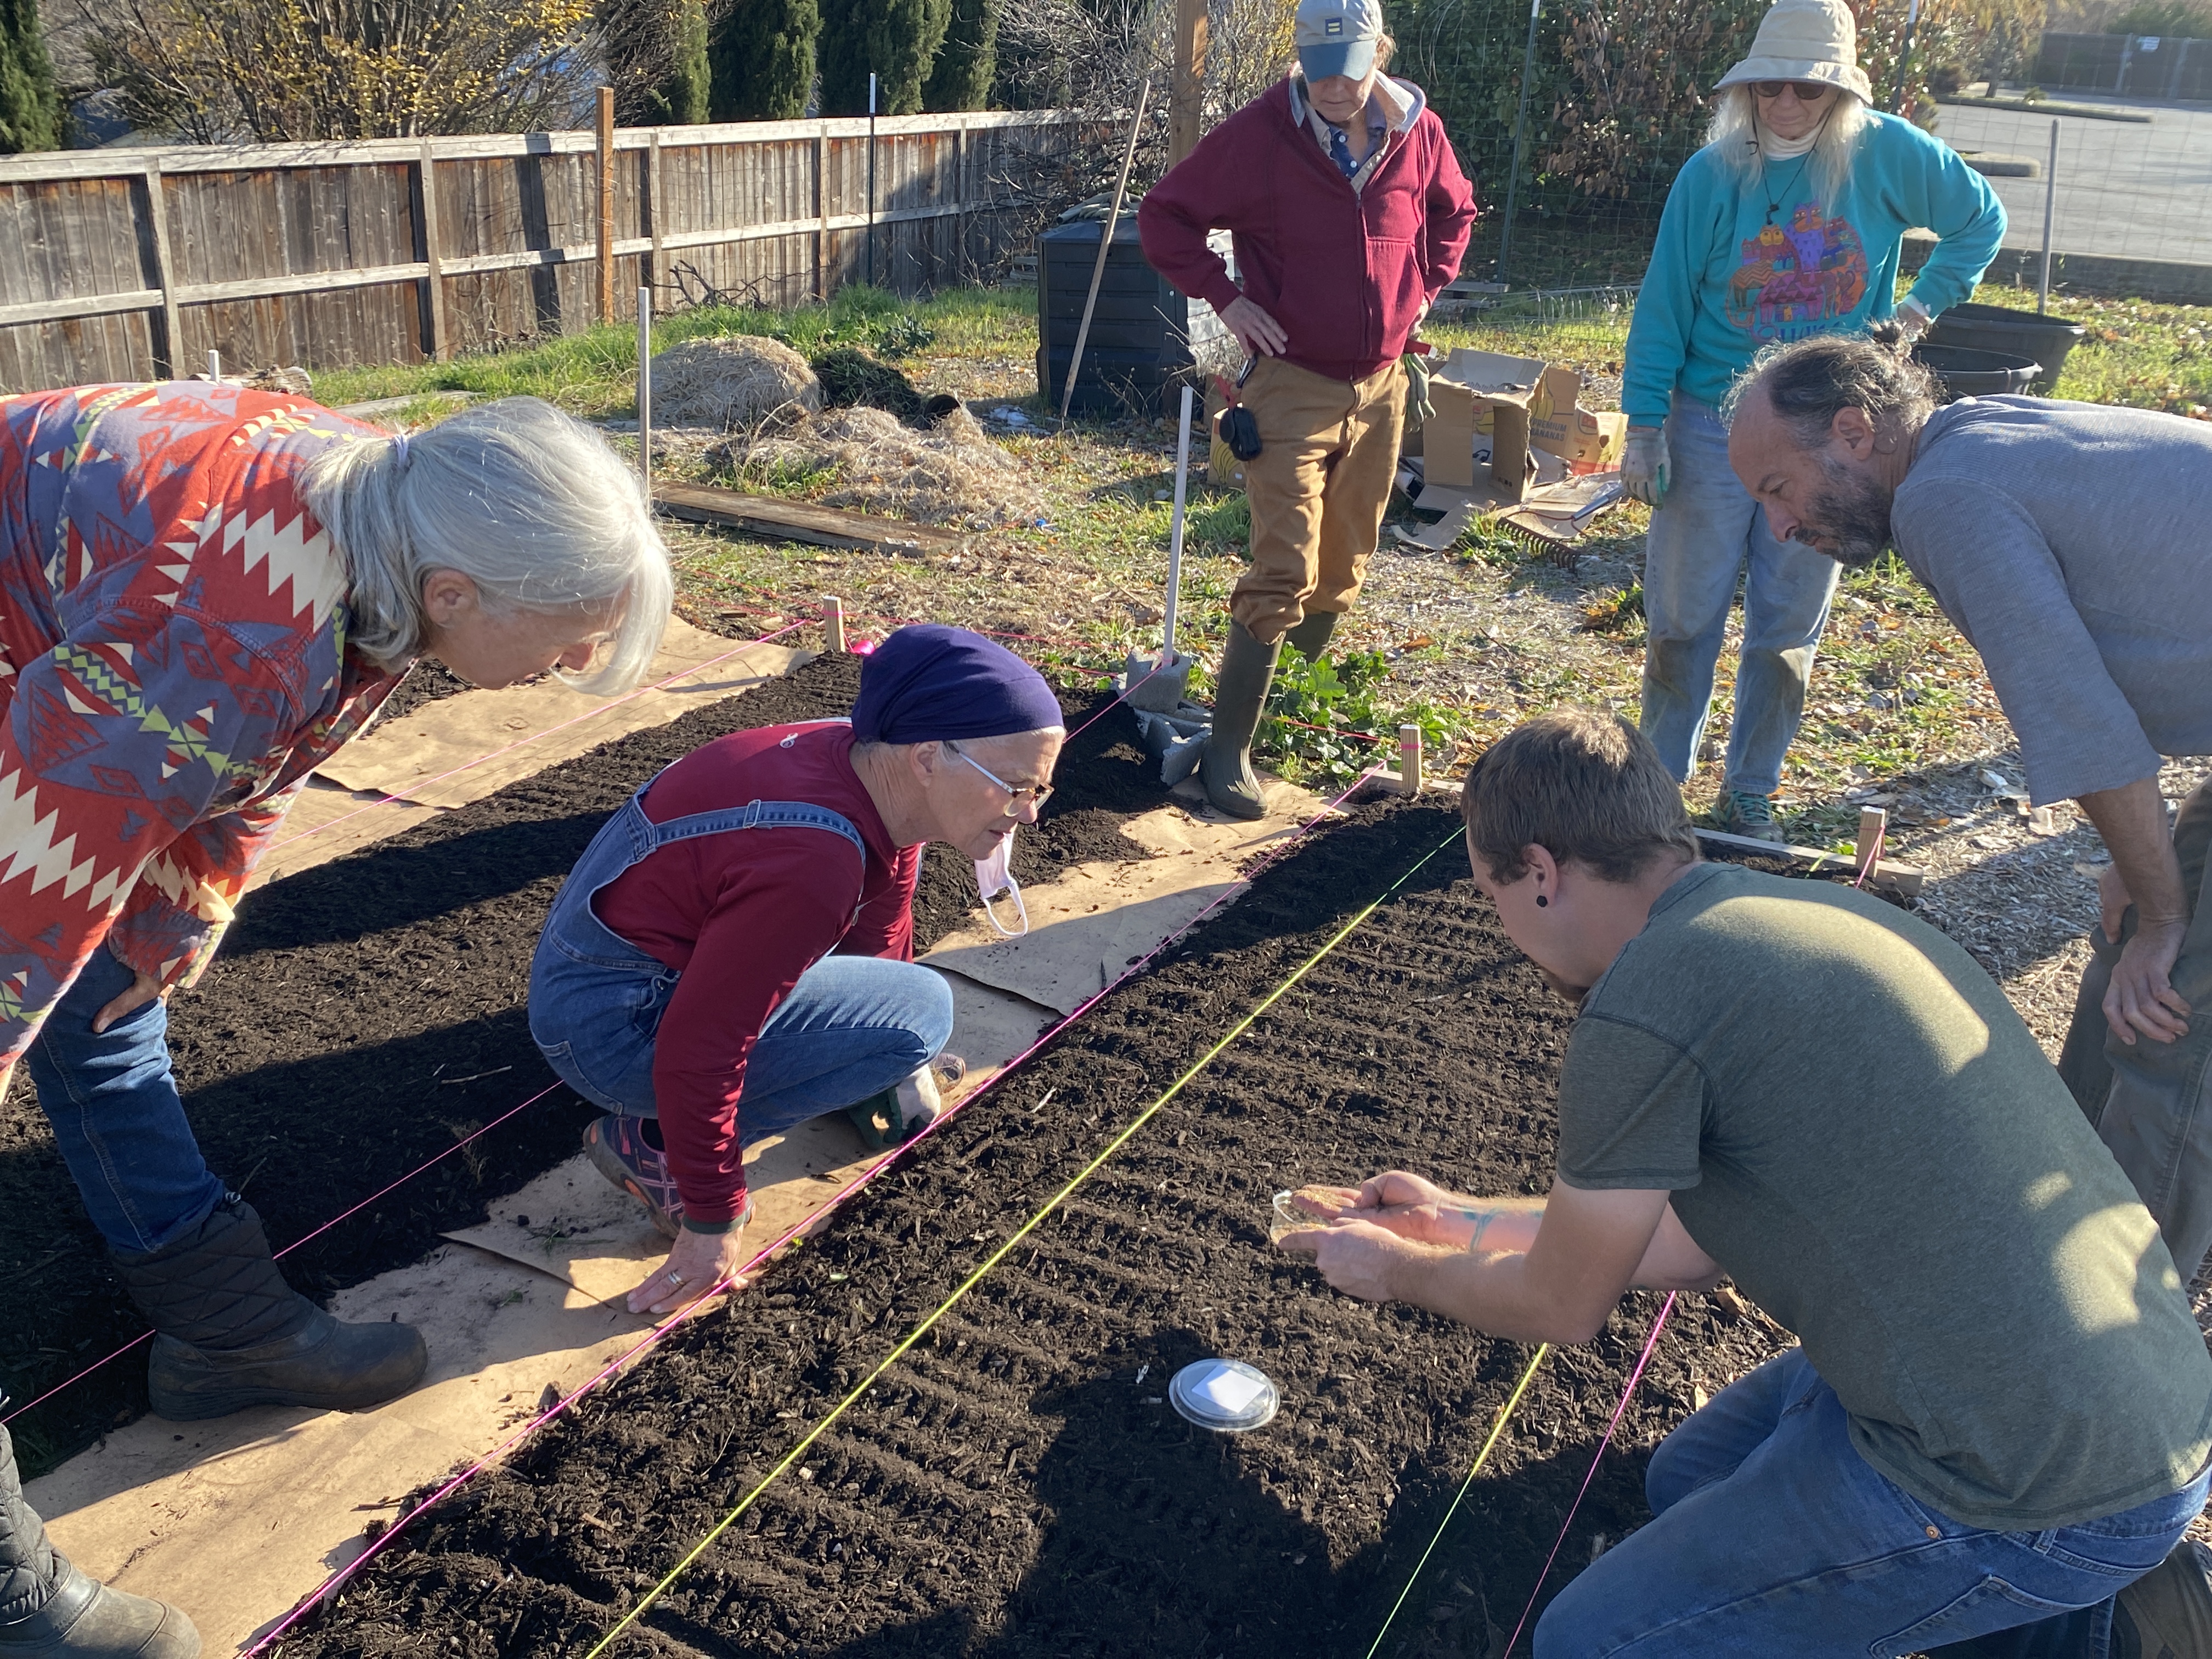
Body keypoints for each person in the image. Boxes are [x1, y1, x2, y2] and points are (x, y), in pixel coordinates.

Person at [1280, 710, 2212, 1657]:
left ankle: (2088, 1611)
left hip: (2027, 1473)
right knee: (1693, 1476)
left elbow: (1563, 1305)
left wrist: (1391, 1269)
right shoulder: (1807, 915)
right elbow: (1690, 1238)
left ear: (1540, 871)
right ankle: (2048, 1593)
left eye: (1493, 893)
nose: (1505, 926)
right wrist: (1454, 1220)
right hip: (2120, 1387)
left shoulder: (1645, 1000)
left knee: (1591, 1639)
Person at [0, 383, 672, 1652]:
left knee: (113, 992)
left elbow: (266, 752)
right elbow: (39, 843)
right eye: (569, 634)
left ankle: (223, 1330)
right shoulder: (223, 628)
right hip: (64, 677)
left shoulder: (391, 521)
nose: (577, 665)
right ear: (460, 594)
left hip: (78, 657)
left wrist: (181, 912)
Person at [1724, 334, 2212, 1290]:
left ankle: (2115, 1361)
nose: (1778, 527)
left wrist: (2166, 913)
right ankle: (2049, 1256)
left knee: (2177, 1021)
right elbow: (2134, 632)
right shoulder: (1972, 439)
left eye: (1777, 488)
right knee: (2124, 952)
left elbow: (2074, 708)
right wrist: (2140, 870)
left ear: (1855, 431)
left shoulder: (1946, 497)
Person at [529, 624, 1063, 1318]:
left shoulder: (868, 760)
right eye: (1016, 788)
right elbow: (701, 1051)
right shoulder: (812, 861)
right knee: (922, 1014)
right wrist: (712, 1220)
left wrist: (875, 1054)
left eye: (1042, 788)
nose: (1030, 815)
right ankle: (653, 1145)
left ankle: (792, 1082)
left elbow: (887, 905)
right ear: (931, 756)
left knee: (900, 1014)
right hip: (612, 1026)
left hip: (609, 964)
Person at [1620, 0, 2002, 841]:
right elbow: (1664, 304)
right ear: (1746, 91)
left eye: (1808, 89)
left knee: (1789, 621)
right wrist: (1643, 425)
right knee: (1684, 616)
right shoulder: (1711, 176)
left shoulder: (1888, 155)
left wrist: (1914, 314)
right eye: (1769, 88)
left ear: (1842, 98)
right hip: (1711, 420)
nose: (1787, 104)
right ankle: (1658, 779)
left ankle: (1751, 785)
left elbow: (1982, 219)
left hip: (1830, 432)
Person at [1138, 0, 1475, 821]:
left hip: (1386, 383)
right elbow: (1164, 216)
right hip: (1290, 381)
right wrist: (1225, 298)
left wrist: (1423, 290)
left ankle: (1282, 706)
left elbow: (1454, 210)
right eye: (1318, 69)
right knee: (1283, 566)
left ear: (1380, 53)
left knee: (1344, 565)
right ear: (1301, 59)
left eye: (1349, 69)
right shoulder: (1260, 137)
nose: (1333, 87)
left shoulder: (1415, 130)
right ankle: (1227, 749)